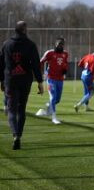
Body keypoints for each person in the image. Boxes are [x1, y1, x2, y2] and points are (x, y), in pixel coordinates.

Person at [0, 21, 44, 150]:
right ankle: (19, 135)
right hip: (25, 80)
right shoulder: (30, 45)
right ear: (25, 30)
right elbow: (36, 64)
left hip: (10, 79)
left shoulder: (6, 44)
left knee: (11, 109)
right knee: (21, 109)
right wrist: (40, 82)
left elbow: (1, 63)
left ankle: (15, 135)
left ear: (15, 30)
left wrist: (1, 80)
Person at [40, 37, 69, 124]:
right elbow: (41, 62)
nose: (60, 45)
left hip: (60, 79)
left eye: (62, 44)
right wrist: (42, 73)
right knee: (52, 97)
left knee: (57, 100)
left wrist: (65, 70)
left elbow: (65, 63)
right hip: (51, 78)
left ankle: (49, 106)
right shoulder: (50, 53)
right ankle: (54, 117)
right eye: (59, 44)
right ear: (55, 44)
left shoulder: (65, 54)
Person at [74, 46, 94, 112]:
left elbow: (80, 64)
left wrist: (86, 69)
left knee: (86, 93)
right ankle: (78, 105)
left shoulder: (87, 56)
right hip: (89, 76)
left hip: (83, 75)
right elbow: (93, 70)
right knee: (91, 93)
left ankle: (86, 107)